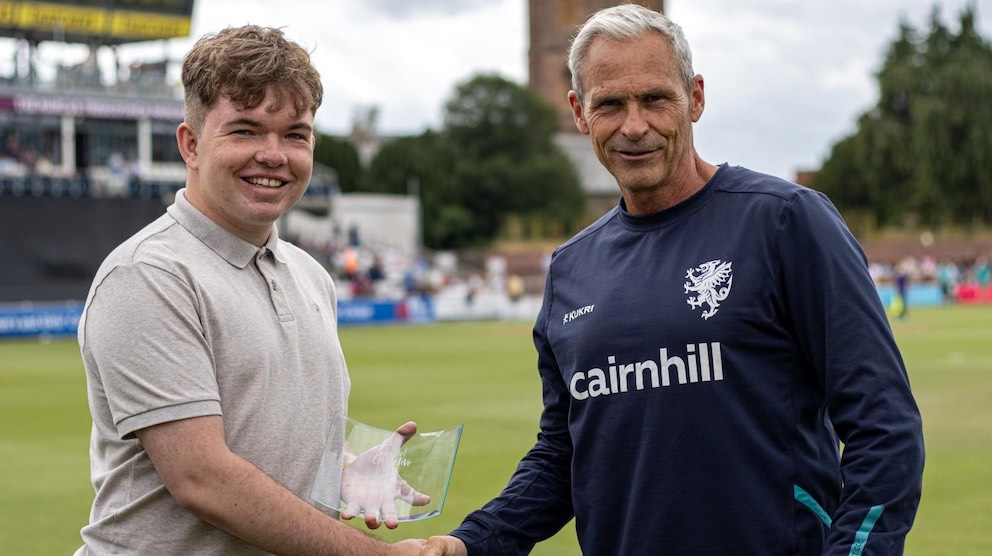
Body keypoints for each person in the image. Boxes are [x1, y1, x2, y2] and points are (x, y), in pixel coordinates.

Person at [422, 5, 924, 555]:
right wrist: (471, 542)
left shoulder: (784, 221)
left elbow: (886, 426)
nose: (634, 126)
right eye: (609, 104)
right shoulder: (570, 269)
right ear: (579, 112)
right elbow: (564, 453)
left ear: (696, 97)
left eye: (655, 99)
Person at [75, 26, 426, 555]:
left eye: (295, 134)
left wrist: (344, 467)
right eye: (244, 131)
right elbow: (204, 481)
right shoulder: (148, 276)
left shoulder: (311, 275)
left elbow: (262, 435)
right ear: (191, 145)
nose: (273, 154)